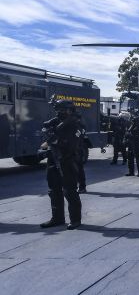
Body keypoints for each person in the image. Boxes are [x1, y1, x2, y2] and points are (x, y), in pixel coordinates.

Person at [40, 98, 83, 230]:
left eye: (64, 110)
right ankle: (57, 218)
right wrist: (47, 135)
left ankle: (75, 220)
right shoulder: (56, 122)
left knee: (69, 191)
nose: (60, 112)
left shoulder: (75, 125)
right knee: (53, 191)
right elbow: (45, 130)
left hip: (67, 160)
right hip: (53, 159)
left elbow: (70, 145)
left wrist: (55, 140)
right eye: (58, 110)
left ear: (71, 110)